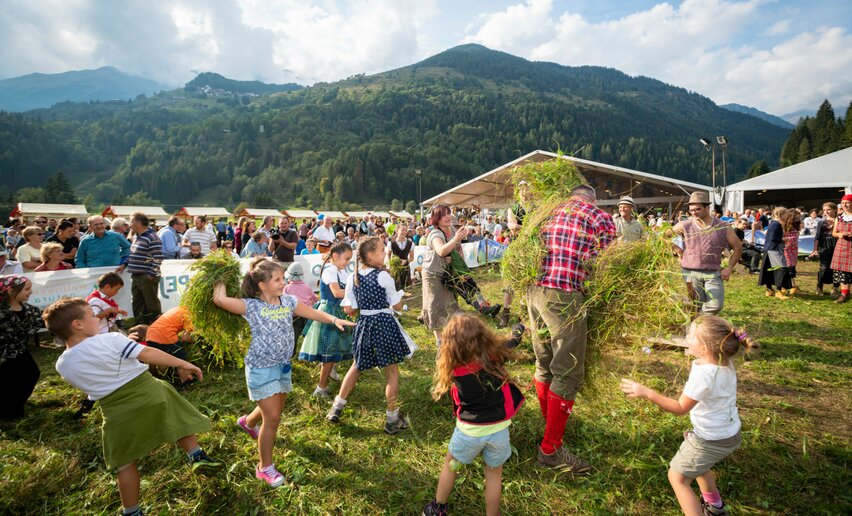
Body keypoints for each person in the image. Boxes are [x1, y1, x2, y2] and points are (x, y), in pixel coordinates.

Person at [44, 298, 221, 516]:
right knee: (179, 420)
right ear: (77, 324)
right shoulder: (111, 339)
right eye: (92, 315)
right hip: (150, 392)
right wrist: (183, 363)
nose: (96, 318)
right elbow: (146, 353)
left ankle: (131, 511)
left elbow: (89, 386)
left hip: (115, 410)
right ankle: (196, 455)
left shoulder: (62, 364)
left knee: (125, 464)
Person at [213, 258, 353, 487]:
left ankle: (247, 423)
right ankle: (264, 468)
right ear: (262, 285)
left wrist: (334, 318)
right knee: (273, 417)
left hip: (282, 366)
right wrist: (219, 271)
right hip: (260, 368)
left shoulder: (287, 301)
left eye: (282, 277)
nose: (283, 282)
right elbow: (219, 299)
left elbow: (312, 312)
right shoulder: (251, 306)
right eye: (277, 279)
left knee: (273, 407)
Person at [620, 315, 757, 516]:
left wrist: (647, 392)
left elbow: (681, 407)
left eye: (691, 336)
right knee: (701, 465)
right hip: (729, 434)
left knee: (678, 477)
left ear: (704, 348)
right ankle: (716, 507)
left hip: (710, 439)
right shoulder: (724, 363)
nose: (687, 338)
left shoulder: (705, 374)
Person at [527, 184, 615, 473]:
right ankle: (551, 450)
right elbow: (608, 263)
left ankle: (552, 429)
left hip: (533, 292)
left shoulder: (548, 210)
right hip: (565, 294)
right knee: (568, 370)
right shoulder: (598, 216)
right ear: (592, 199)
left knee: (545, 362)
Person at [422, 314, 525, 516]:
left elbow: (443, 354)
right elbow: (512, 340)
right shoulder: (495, 356)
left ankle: (437, 508)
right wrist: (520, 326)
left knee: (451, 465)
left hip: (468, 433)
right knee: (494, 475)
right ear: (483, 336)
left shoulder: (453, 367)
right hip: (499, 431)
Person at [326, 236, 415, 434]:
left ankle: (337, 408)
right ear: (369, 255)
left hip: (364, 324)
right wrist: (399, 301)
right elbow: (397, 305)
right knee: (391, 371)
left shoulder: (353, 277)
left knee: (356, 366)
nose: (385, 253)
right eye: (382, 250)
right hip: (384, 324)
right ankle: (392, 419)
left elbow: (349, 309)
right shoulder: (384, 276)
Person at [671, 192, 742, 315]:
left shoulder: (722, 226)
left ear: (707, 208)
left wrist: (729, 268)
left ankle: (699, 322)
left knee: (715, 305)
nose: (694, 213)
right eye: (691, 210)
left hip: (713, 272)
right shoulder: (685, 225)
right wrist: (678, 251)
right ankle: (695, 330)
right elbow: (664, 236)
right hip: (690, 272)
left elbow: (738, 247)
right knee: (696, 305)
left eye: (698, 209)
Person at [299, 242, 354, 398]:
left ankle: (329, 372)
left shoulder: (339, 271)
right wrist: (358, 291)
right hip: (329, 311)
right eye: (347, 258)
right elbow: (336, 292)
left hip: (337, 311)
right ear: (335, 256)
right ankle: (320, 388)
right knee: (329, 351)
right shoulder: (330, 270)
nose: (348, 262)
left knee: (333, 347)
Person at [0, 276, 42, 419]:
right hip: (3, 353)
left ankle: (16, 404)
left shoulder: (31, 310)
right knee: (6, 380)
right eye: (27, 289)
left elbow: (38, 323)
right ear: (11, 291)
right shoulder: (1, 310)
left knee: (31, 374)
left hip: (21, 351)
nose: (30, 292)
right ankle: (8, 410)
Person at [421, 205, 464, 346]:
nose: (447, 217)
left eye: (448, 214)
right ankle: (440, 342)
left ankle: (452, 338)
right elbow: (441, 251)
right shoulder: (435, 234)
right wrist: (456, 239)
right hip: (432, 275)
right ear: (436, 219)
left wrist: (459, 259)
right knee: (435, 307)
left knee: (450, 304)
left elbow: (457, 248)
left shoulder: (451, 230)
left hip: (446, 273)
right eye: (443, 215)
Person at [119, 213, 163, 325]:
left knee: (151, 304)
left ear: (139, 223)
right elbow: (133, 254)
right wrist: (125, 264)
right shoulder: (135, 237)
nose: (130, 224)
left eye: (132, 221)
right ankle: (140, 327)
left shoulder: (152, 237)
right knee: (137, 303)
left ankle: (156, 327)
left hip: (147, 276)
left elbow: (158, 257)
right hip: (136, 275)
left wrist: (151, 275)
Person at [757, 207, 792, 299]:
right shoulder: (776, 224)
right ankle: (778, 291)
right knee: (781, 269)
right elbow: (773, 238)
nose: (787, 216)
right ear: (779, 214)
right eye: (785, 214)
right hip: (774, 249)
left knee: (769, 269)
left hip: (769, 249)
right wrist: (784, 239)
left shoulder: (773, 224)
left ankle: (769, 290)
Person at [283, 262, 319, 344]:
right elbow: (314, 299)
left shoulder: (287, 288)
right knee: (309, 335)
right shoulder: (306, 287)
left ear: (289, 277)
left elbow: (284, 301)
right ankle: (308, 350)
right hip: (307, 315)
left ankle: (292, 352)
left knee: (294, 336)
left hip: (294, 316)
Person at [811, 202, 839, 296]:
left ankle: (835, 288)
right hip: (824, 246)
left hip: (837, 245)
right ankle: (819, 286)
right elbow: (817, 237)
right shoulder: (821, 222)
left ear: (835, 210)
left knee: (836, 268)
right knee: (823, 267)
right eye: (824, 210)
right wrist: (815, 249)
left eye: (828, 209)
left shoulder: (839, 220)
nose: (826, 212)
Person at [829, 193, 852, 304]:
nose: (845, 205)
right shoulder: (839, 217)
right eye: (843, 203)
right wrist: (839, 234)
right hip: (842, 246)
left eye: (847, 202)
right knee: (843, 272)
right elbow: (834, 232)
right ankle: (844, 294)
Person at [781, 209, 802, 294]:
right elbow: (781, 238)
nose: (798, 219)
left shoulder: (796, 226)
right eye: (796, 217)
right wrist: (790, 239)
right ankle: (785, 286)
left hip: (793, 250)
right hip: (786, 249)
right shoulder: (784, 226)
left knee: (792, 267)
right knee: (787, 268)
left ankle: (792, 286)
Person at [388, 223, 414, 289]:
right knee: (395, 288)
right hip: (395, 269)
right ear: (397, 231)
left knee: (406, 288)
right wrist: (391, 266)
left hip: (406, 269)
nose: (404, 232)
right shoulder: (391, 242)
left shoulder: (410, 243)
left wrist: (406, 261)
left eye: (406, 230)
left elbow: (412, 258)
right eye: (402, 230)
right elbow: (388, 256)